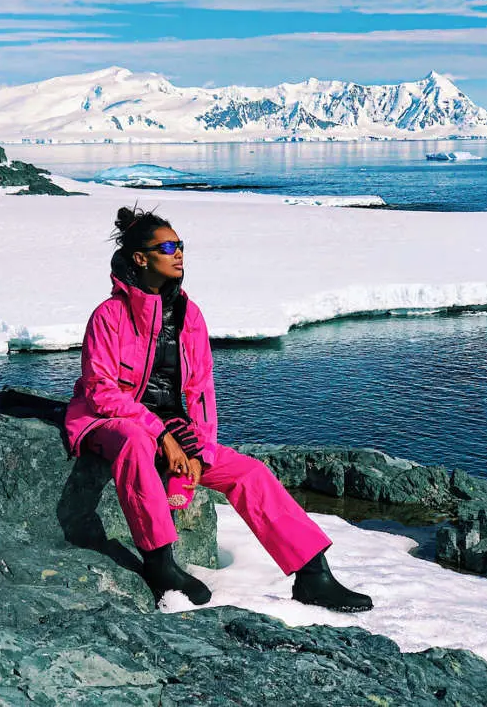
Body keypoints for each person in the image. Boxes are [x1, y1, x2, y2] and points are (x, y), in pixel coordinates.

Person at [64, 205, 373, 612]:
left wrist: (199, 449)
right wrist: (161, 436)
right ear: (140, 258)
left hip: (172, 427)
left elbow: (201, 392)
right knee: (136, 441)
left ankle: (313, 574)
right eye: (167, 247)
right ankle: (160, 566)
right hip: (109, 421)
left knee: (249, 473)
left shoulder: (189, 316)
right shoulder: (109, 316)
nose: (178, 253)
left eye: (180, 245)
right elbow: (101, 391)